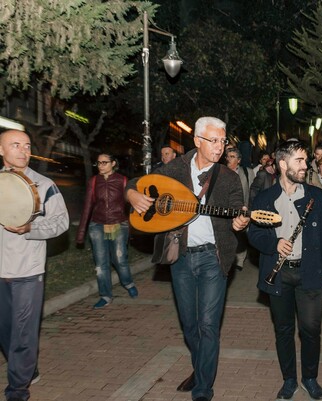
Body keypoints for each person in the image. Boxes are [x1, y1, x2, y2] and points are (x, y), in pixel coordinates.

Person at [127, 116, 250, 401]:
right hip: (181, 258)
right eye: (214, 140)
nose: (220, 147)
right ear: (197, 141)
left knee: (208, 324)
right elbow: (138, 182)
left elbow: (235, 208)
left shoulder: (229, 177)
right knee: (190, 324)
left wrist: (239, 222)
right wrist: (132, 194)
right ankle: (201, 367)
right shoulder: (176, 168)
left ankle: (203, 389)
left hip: (213, 257)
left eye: (222, 141)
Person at [248, 139, 322, 401]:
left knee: (310, 329)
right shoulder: (265, 198)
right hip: (279, 274)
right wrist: (274, 243)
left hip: (309, 272)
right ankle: (289, 380)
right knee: (283, 329)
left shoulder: (315, 196)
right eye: (299, 160)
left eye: (305, 160)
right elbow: (254, 234)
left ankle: (310, 378)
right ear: (282, 163)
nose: (305, 165)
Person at [0, 129, 69, 401]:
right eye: (15, 145)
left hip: (27, 271)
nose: (23, 150)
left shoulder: (44, 185)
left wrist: (31, 227)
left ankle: (18, 390)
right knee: (6, 330)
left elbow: (61, 222)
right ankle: (27, 367)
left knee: (23, 333)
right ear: (1, 150)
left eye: (27, 146)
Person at [77, 153, 138, 309]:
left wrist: (133, 228)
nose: (101, 166)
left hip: (119, 223)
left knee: (120, 259)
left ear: (113, 163)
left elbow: (131, 206)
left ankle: (128, 283)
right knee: (101, 264)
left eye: (104, 162)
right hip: (97, 225)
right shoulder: (94, 181)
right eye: (98, 163)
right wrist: (81, 233)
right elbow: (87, 206)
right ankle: (105, 295)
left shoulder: (123, 180)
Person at [225, 147, 255, 270]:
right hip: (225, 209)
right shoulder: (221, 171)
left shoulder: (247, 172)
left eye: (232, 157)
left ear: (239, 160)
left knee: (241, 234)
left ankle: (239, 260)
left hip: (242, 207)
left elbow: (253, 190)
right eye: (228, 156)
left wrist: (250, 208)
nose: (229, 159)